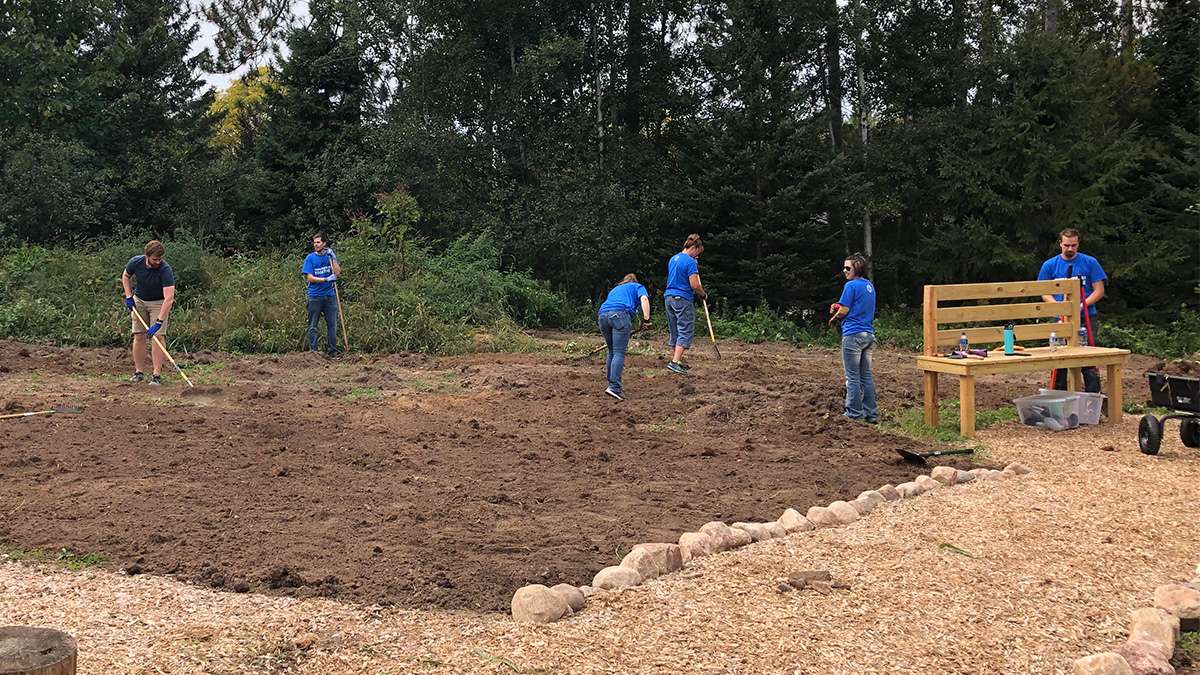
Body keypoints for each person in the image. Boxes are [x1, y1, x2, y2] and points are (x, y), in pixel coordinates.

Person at [1038, 228, 1106, 393]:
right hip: (1060, 319)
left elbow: (1099, 290)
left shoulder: (1090, 263)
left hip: (1086, 318)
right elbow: (1043, 291)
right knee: (1059, 360)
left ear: (1078, 244)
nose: (1070, 249)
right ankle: (1058, 399)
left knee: (1088, 359)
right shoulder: (1050, 265)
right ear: (1060, 244)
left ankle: (1093, 399)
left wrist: (1082, 304)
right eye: (1067, 245)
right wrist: (1058, 306)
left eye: (1073, 245)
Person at [829, 253, 878, 423]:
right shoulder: (869, 286)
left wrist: (834, 317)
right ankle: (871, 414)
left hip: (853, 336)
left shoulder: (850, 286)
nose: (844, 271)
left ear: (857, 267)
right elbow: (858, 306)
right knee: (866, 377)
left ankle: (853, 414)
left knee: (853, 377)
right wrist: (839, 306)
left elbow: (844, 310)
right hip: (868, 336)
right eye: (844, 268)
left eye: (847, 268)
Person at [121, 240, 176, 385]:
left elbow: (169, 298)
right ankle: (139, 372)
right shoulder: (135, 262)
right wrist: (128, 296)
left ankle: (156, 375)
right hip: (139, 301)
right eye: (154, 259)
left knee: (158, 336)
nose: (157, 262)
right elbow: (126, 276)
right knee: (139, 335)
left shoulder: (165, 270)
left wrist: (158, 322)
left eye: (159, 259)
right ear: (147, 256)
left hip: (159, 302)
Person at [597, 273, 652, 401]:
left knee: (611, 351)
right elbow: (644, 299)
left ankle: (611, 384)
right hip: (620, 315)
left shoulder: (616, 289)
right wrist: (647, 319)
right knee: (619, 352)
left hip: (602, 316)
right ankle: (614, 387)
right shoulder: (638, 287)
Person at [664, 233, 707, 374]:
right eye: (697, 253)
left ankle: (677, 360)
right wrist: (702, 294)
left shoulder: (673, 259)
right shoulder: (689, 262)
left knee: (675, 329)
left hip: (669, 298)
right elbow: (694, 285)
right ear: (694, 247)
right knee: (685, 329)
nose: (697, 257)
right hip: (682, 298)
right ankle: (675, 362)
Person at [301, 232, 343, 358]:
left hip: (330, 296)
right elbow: (309, 278)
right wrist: (325, 280)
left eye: (318, 242)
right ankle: (313, 354)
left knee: (332, 325)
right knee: (313, 325)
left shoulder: (329, 257)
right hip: (314, 296)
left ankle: (332, 352)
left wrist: (333, 258)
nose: (316, 245)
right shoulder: (310, 258)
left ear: (324, 243)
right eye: (314, 242)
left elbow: (337, 273)